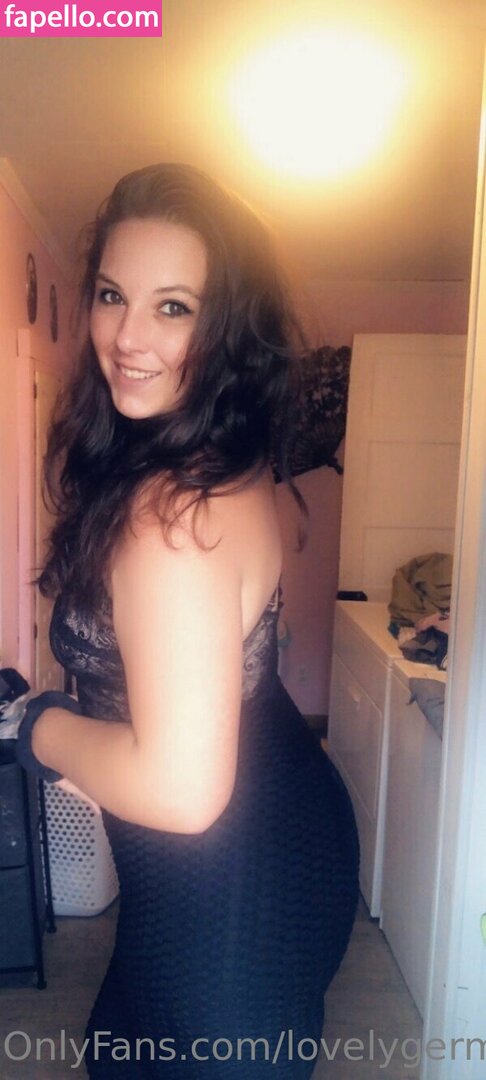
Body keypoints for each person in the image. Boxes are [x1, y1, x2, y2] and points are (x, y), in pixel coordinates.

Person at [16, 163, 359, 1078]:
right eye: (112, 295)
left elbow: (180, 790)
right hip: (262, 829)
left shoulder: (173, 519)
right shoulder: (216, 453)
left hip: (230, 901)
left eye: (174, 307)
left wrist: (39, 727)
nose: (127, 337)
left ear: (227, 332)